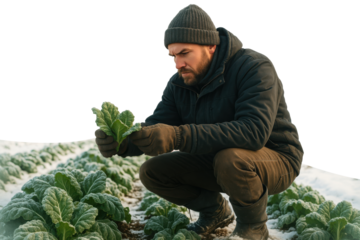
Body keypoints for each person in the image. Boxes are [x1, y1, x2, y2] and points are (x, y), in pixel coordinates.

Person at [94, 2, 304, 240]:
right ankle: (215, 212)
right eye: (172, 55)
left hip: (276, 157)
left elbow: (254, 132)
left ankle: (253, 227)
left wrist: (179, 136)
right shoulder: (179, 83)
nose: (178, 64)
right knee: (152, 172)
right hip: (219, 159)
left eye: (184, 53)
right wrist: (122, 141)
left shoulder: (254, 67)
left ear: (211, 46)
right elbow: (156, 126)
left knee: (231, 158)